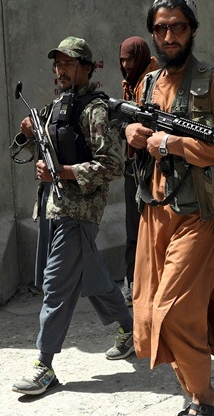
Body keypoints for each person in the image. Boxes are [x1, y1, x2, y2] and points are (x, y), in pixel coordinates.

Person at [124, 0, 214, 416]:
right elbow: (138, 133)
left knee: (173, 312)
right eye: (160, 28)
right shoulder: (148, 83)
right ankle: (197, 398)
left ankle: (206, 396)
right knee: (152, 310)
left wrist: (172, 144)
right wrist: (133, 134)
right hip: (155, 213)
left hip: (198, 215)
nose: (169, 35)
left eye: (177, 26)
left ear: (192, 29)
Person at [10, 36, 134, 395]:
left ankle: (44, 366)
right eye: (57, 64)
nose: (60, 70)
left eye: (67, 64)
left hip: (78, 209)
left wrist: (61, 173)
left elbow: (111, 164)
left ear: (86, 67)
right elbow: (47, 149)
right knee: (91, 276)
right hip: (52, 205)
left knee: (57, 286)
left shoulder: (94, 109)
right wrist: (30, 135)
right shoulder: (58, 104)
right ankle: (128, 329)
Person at [117, 36, 157, 307]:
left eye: (130, 60)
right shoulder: (130, 85)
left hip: (153, 167)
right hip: (133, 166)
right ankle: (132, 283)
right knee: (133, 230)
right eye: (122, 60)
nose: (125, 65)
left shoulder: (154, 81)